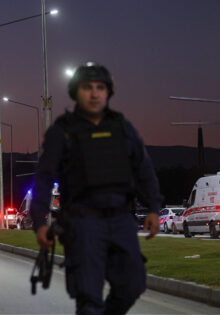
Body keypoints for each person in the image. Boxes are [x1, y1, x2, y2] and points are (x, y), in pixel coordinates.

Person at [31, 62, 162, 315]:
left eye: (100, 87)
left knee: (132, 284)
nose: (94, 93)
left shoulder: (123, 128)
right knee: (89, 299)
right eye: (87, 87)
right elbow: (44, 178)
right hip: (83, 223)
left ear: (108, 91)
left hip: (122, 220)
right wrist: (40, 222)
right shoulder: (62, 132)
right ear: (75, 92)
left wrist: (155, 208)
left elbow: (144, 170)